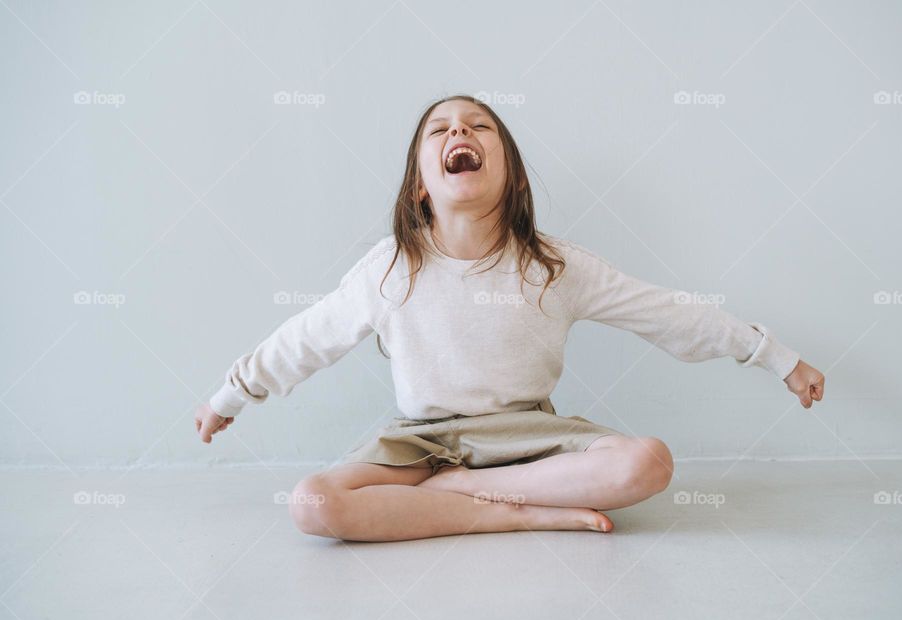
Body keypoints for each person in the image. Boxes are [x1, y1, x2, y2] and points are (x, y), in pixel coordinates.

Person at [194, 95, 825, 542]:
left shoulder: (555, 266)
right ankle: (509, 513)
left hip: (531, 442)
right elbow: (307, 339)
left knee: (647, 462)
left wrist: (776, 357)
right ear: (420, 185)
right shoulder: (388, 269)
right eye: (439, 131)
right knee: (311, 502)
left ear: (511, 174)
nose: (458, 133)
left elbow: (667, 314)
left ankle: (458, 504)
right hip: (423, 446)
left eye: (477, 126)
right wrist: (232, 395)